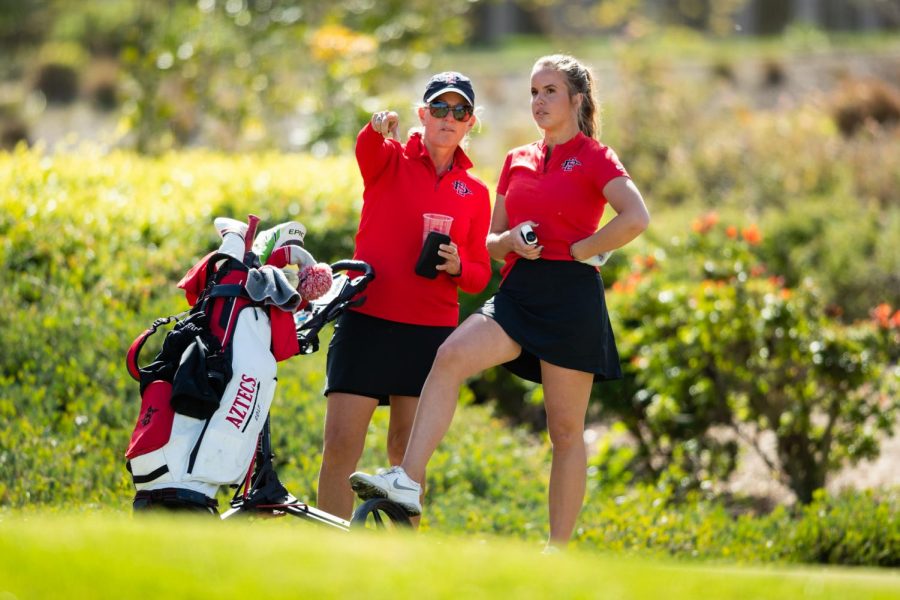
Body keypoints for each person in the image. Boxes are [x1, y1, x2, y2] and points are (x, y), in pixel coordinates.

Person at [350, 54, 650, 549]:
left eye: (549, 91)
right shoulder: (517, 159)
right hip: (518, 291)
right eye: (534, 92)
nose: (539, 101)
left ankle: (558, 548)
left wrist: (583, 249)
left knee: (566, 431)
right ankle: (407, 479)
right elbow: (489, 242)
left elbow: (635, 217)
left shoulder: (596, 156)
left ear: (576, 99)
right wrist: (511, 241)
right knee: (450, 357)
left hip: (571, 299)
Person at [316, 72, 492, 520]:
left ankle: (403, 561)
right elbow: (366, 148)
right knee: (340, 447)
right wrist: (376, 126)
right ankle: (327, 553)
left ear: (470, 123)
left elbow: (478, 275)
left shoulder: (474, 192)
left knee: (406, 459)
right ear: (422, 114)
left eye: (459, 111)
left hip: (429, 331)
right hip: (367, 317)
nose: (448, 119)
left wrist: (458, 266)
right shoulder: (389, 158)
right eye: (439, 108)